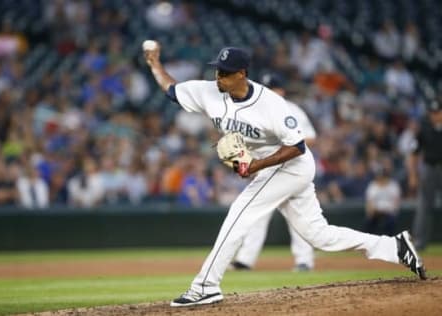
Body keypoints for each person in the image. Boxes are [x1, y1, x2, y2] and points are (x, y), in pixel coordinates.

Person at [144, 43, 427, 307]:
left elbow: (297, 147)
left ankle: (205, 286)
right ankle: (394, 246)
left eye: (226, 73)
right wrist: (155, 64)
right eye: (217, 70)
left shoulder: (272, 105)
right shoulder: (208, 90)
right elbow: (172, 89)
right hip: (273, 169)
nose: (219, 77)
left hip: (291, 165)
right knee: (319, 236)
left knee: (239, 214)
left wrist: (255, 166)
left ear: (242, 74)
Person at [231, 73, 317, 272]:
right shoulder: (255, 112)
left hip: (292, 169)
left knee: (298, 216)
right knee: (256, 215)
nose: (269, 91)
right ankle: (245, 260)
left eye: (273, 88)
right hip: (267, 170)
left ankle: (304, 261)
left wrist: (288, 144)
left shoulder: (292, 110)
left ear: (282, 91)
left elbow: (311, 138)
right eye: (266, 88)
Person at [407, 99, 442, 250]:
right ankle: (420, 241)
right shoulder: (424, 129)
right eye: (432, 112)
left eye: (438, 112)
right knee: (424, 205)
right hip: (429, 167)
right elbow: (414, 153)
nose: (435, 115)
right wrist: (413, 175)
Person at [365, 165, 401, 236]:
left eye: (382, 176)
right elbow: (369, 204)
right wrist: (372, 211)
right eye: (379, 176)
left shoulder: (393, 185)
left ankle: (389, 242)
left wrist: (386, 210)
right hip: (376, 213)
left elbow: (396, 204)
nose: (380, 178)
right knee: (368, 224)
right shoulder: (372, 185)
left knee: (390, 222)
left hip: (389, 213)